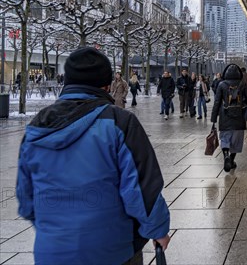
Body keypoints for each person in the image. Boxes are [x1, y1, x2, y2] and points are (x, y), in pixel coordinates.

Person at [16, 47, 170, 265]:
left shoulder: (37, 126)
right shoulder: (120, 123)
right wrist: (158, 229)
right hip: (113, 250)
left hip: (52, 252)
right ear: (106, 85)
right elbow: (142, 189)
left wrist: (55, 231)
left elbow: (25, 198)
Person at [211, 64, 247, 172]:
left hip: (225, 117)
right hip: (239, 117)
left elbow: (217, 102)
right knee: (236, 141)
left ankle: (226, 156)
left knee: (225, 139)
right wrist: (243, 107)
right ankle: (232, 160)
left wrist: (213, 118)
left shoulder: (221, 84)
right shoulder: (242, 84)